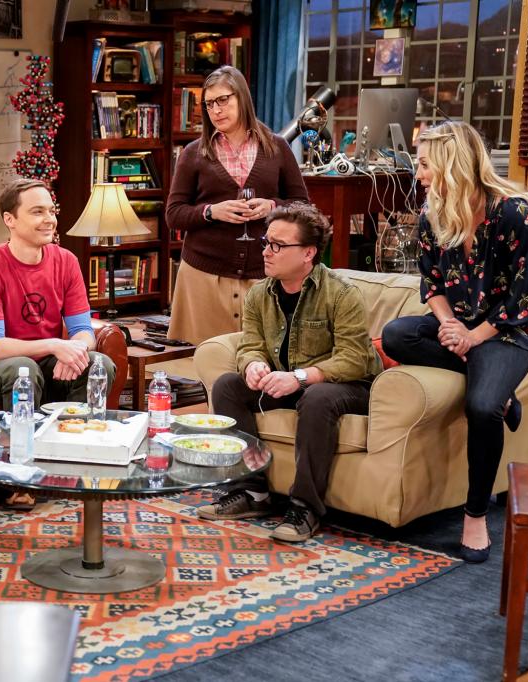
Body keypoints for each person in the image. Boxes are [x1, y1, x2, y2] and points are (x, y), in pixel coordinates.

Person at [381, 121, 528, 564]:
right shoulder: (435, 213)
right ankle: (495, 386)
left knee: (481, 406)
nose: (419, 173)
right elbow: (431, 281)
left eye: (426, 164)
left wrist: (472, 336)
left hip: (507, 332)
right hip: (462, 327)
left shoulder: (515, 212)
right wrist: (451, 325)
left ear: (453, 163)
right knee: (396, 334)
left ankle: (474, 516)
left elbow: (524, 298)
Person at [197, 203, 382, 542]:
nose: (266, 251)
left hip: (347, 386)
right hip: (288, 381)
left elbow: (354, 360)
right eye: (267, 242)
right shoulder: (259, 294)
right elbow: (250, 344)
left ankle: (305, 507)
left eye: (278, 246)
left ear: (308, 253)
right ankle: (251, 491)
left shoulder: (341, 295)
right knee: (227, 386)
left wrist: (299, 377)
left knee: (317, 398)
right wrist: (253, 364)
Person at [166, 65, 309, 345]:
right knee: (200, 364)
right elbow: (173, 214)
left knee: (260, 363)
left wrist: (272, 207)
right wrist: (210, 212)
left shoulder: (277, 148)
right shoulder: (193, 154)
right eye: (209, 104)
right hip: (203, 278)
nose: (216, 110)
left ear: (241, 98)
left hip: (263, 275)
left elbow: (303, 205)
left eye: (223, 100)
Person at [0, 178, 117, 410]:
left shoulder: (66, 261)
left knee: (99, 363)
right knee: (23, 369)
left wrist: (75, 352)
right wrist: (55, 346)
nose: (49, 219)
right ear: (9, 219)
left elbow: (83, 332)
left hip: (47, 365)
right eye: (37, 212)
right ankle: (26, 444)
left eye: (51, 211)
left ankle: (75, 437)